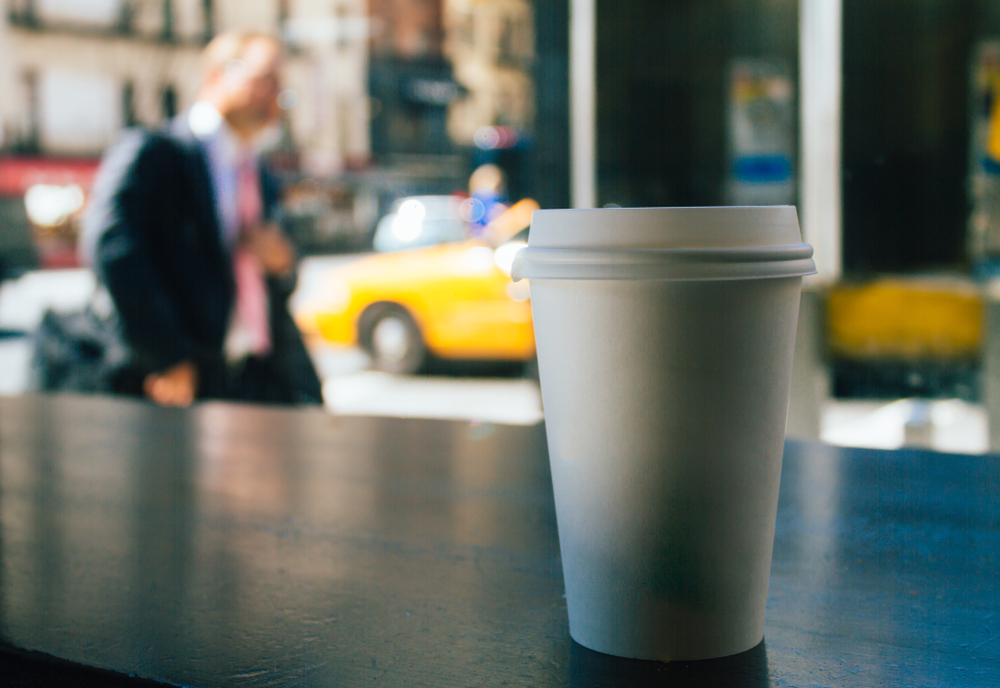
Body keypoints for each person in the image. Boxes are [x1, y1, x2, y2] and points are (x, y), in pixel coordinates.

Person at [80, 32, 321, 407]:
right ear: (215, 77)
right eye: (263, 81)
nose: (274, 98)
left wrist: (283, 262)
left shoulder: (259, 171)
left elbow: (284, 273)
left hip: (252, 376)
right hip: (184, 380)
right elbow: (111, 248)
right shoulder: (156, 152)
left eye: (280, 87)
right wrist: (166, 356)